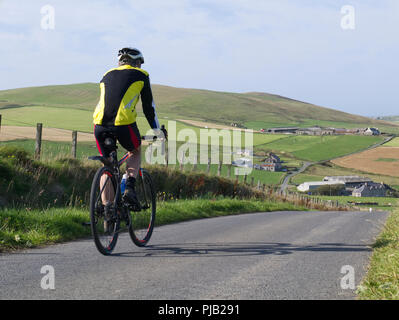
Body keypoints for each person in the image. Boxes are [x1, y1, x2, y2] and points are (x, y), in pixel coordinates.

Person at [93, 47, 167, 208]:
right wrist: (157, 131)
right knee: (135, 150)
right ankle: (130, 190)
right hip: (123, 124)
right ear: (137, 63)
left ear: (120, 62)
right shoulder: (141, 75)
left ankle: (107, 210)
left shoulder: (107, 74)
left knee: (107, 166)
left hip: (99, 124)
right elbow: (149, 108)